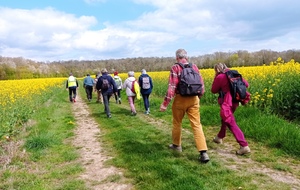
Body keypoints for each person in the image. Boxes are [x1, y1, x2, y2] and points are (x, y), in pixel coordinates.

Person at [160, 49, 209, 163]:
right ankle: (203, 152)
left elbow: (171, 88)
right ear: (187, 57)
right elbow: (201, 86)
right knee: (196, 124)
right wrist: (198, 97)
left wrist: (165, 104)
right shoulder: (194, 67)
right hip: (194, 99)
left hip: (180, 99)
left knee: (177, 123)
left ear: (177, 58)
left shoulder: (175, 68)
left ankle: (177, 146)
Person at [211, 63, 251, 155]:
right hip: (235, 102)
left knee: (230, 122)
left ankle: (244, 145)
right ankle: (219, 137)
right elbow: (246, 84)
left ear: (217, 70)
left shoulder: (220, 77)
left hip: (226, 103)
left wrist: (216, 78)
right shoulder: (234, 74)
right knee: (225, 120)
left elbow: (213, 90)